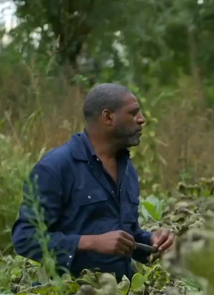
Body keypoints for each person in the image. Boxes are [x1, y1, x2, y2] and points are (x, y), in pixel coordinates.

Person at [12, 83, 175, 281]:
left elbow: (124, 237)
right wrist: (90, 242)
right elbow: (25, 238)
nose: (141, 120)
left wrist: (153, 242)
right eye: (133, 113)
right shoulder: (55, 167)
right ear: (108, 117)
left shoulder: (126, 168)